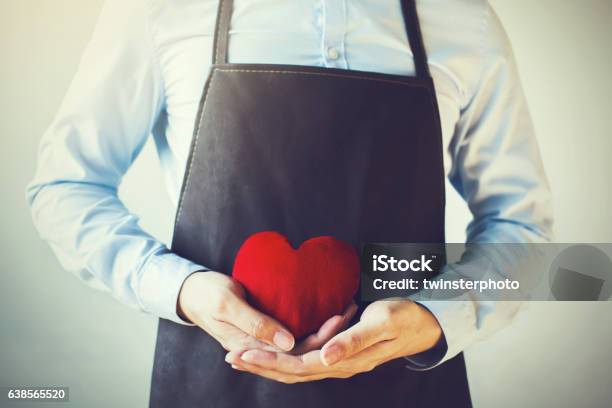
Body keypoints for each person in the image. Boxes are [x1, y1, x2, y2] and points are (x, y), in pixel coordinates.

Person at [27, 0, 553, 407]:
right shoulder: (165, 8)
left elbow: (526, 233)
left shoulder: (465, 21)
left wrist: (437, 317)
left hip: (407, 391)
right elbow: (64, 188)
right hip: (212, 389)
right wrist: (181, 289)